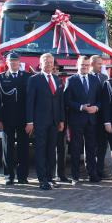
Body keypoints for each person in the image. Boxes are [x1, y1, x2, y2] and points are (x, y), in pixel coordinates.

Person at [25, 53, 65, 190]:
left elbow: (60, 102)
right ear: (40, 64)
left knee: (51, 150)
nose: (48, 64)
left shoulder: (57, 80)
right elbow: (30, 102)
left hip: (54, 122)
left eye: (51, 62)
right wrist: (29, 121)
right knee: (40, 150)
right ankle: (42, 179)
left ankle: (50, 177)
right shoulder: (34, 79)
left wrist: (61, 120)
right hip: (40, 121)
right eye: (46, 62)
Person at [64, 56, 103, 184]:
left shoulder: (95, 80)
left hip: (92, 120)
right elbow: (67, 100)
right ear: (77, 65)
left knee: (91, 149)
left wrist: (96, 107)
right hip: (77, 120)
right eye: (82, 65)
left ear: (89, 66)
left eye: (86, 65)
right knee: (76, 149)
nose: (84, 67)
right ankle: (75, 176)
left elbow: (101, 99)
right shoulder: (71, 80)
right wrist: (81, 107)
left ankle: (92, 174)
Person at [0, 52, 32, 185]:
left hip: (23, 119)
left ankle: (23, 176)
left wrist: (30, 121)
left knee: (24, 148)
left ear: (19, 62)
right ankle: (9, 176)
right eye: (11, 61)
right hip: (7, 118)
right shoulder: (0, 78)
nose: (14, 63)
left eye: (16, 61)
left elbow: (30, 101)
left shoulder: (28, 77)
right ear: (7, 62)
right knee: (7, 149)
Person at [89, 55, 109, 179]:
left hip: (102, 116)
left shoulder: (104, 77)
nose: (101, 66)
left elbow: (105, 97)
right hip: (90, 116)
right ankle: (91, 170)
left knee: (102, 145)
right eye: (98, 64)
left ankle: (100, 169)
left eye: (101, 64)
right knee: (91, 145)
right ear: (92, 64)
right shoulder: (87, 77)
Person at [53, 62, 70, 183]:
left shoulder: (60, 83)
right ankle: (49, 175)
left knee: (61, 148)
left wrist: (63, 120)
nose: (54, 70)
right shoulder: (42, 81)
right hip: (47, 120)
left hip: (60, 120)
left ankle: (61, 174)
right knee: (48, 149)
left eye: (56, 69)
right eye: (53, 68)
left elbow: (63, 104)